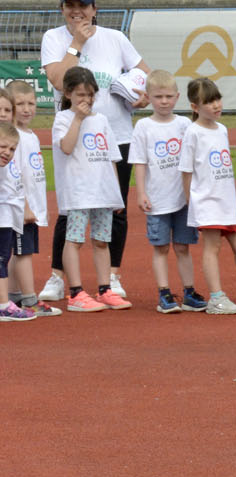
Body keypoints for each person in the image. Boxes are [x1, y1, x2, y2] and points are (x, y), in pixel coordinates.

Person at [39, 0, 149, 302]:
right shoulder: (54, 38)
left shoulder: (115, 38)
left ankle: (111, 277)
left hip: (116, 133)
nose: (78, 11)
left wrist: (142, 95)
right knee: (70, 209)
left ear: (95, 8)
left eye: (83, 5)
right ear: (62, 8)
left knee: (116, 208)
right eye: (70, 5)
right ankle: (59, 277)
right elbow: (60, 81)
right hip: (74, 137)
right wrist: (77, 42)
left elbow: (143, 75)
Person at [179, 77, 236, 315]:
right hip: (206, 201)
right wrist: (192, 201)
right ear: (195, 107)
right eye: (208, 102)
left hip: (226, 201)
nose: (216, 105)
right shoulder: (193, 133)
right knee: (212, 247)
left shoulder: (222, 129)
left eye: (217, 99)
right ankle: (217, 298)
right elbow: (186, 172)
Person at [128, 70, 205, 314]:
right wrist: (141, 193)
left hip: (183, 198)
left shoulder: (184, 124)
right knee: (160, 247)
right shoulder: (143, 126)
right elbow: (139, 162)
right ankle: (164, 292)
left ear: (178, 97)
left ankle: (189, 291)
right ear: (148, 97)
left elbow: (195, 157)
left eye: (169, 96)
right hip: (158, 199)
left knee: (183, 246)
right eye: (158, 96)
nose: (164, 101)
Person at [52, 66, 128, 311]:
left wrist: (116, 195)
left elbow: (111, 158)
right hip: (78, 193)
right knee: (74, 240)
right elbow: (66, 147)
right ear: (67, 94)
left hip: (102, 192)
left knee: (102, 241)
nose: (86, 100)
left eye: (90, 95)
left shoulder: (102, 120)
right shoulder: (63, 119)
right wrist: (78, 119)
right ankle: (75, 292)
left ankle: (105, 289)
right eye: (80, 95)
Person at [7, 81, 60, 316]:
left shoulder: (31, 135)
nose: (27, 109)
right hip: (20, 206)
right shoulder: (14, 137)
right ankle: (29, 300)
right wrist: (26, 206)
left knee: (16, 251)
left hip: (31, 205)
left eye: (32, 103)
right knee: (23, 252)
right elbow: (15, 175)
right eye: (20, 104)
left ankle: (13, 295)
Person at [0, 121, 36, 320]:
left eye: (12, 149)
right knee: (1, 260)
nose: (7, 152)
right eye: (3, 147)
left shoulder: (8, 166)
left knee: (4, 258)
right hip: (2, 221)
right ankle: (3, 304)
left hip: (7, 221)